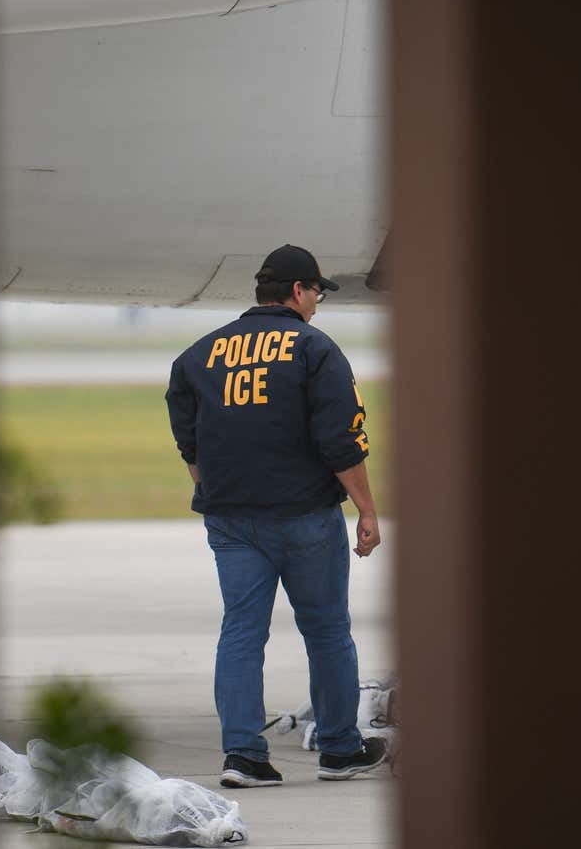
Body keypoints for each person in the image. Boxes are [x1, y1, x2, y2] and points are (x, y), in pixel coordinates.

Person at [165, 244, 390, 787]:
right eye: (316, 292)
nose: (318, 303)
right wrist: (366, 508)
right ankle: (339, 750)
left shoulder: (199, 355)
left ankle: (243, 757)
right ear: (297, 291)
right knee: (328, 631)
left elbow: (187, 437)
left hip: (230, 519)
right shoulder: (315, 349)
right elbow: (342, 438)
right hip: (304, 517)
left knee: (241, 633)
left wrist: (212, 489)